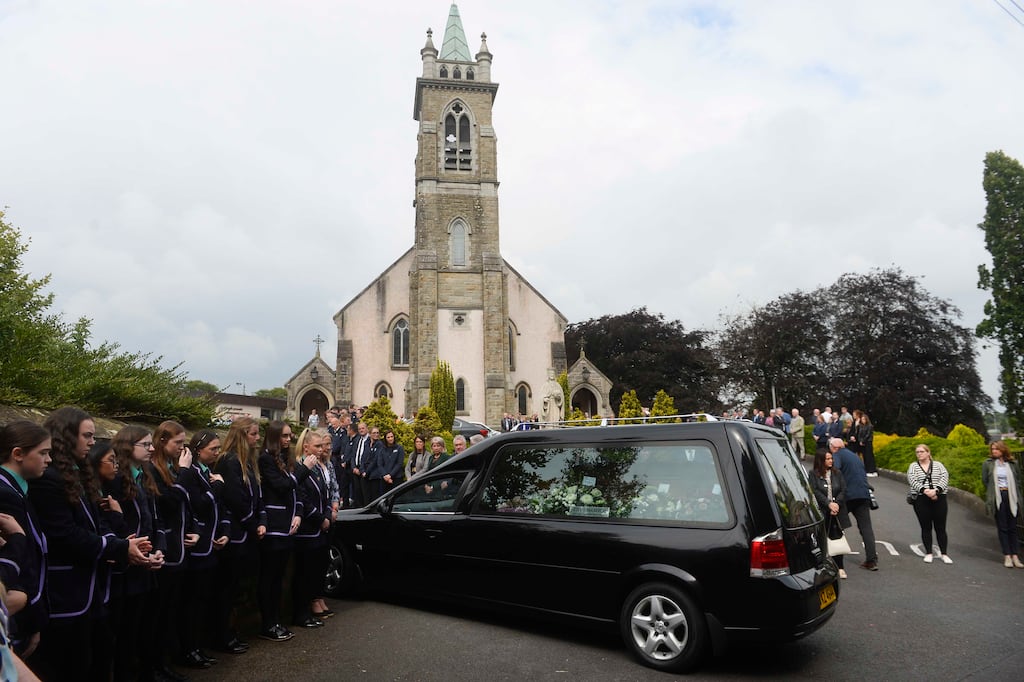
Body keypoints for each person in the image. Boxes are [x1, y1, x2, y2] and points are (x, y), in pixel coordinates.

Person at [28, 407, 150, 681]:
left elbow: (96, 523)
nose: (93, 442)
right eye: (87, 436)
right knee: (68, 665)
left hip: (91, 591)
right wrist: (118, 548)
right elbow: (65, 535)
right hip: (66, 594)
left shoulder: (77, 475)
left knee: (92, 659)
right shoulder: (48, 480)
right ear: (66, 436)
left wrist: (119, 542)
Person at [109, 425, 164, 682]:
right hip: (126, 568)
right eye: (146, 444)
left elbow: (154, 520)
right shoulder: (117, 479)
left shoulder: (145, 475)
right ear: (128, 447)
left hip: (145, 564)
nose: (152, 449)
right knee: (124, 633)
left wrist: (158, 550)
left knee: (144, 627)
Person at [148, 421, 200, 681]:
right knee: (158, 614)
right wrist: (184, 473)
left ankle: (165, 665)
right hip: (164, 551)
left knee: (170, 611)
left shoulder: (171, 467)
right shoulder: (154, 469)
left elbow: (185, 506)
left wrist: (193, 529)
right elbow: (169, 503)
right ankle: (154, 668)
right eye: (178, 443)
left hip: (180, 547)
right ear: (162, 441)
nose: (182, 448)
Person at [211, 418, 264, 654]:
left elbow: (255, 495)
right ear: (243, 435)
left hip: (247, 532)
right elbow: (234, 499)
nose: (257, 438)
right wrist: (253, 525)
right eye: (253, 434)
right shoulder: (229, 461)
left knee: (236, 589)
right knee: (226, 588)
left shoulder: (248, 462)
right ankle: (223, 635)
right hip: (234, 534)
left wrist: (260, 522)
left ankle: (231, 632)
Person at [177, 430, 228, 668]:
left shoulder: (209, 472)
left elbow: (220, 508)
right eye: (213, 449)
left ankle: (198, 646)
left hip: (211, 544)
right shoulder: (194, 473)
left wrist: (224, 532)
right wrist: (218, 487)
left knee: (204, 600)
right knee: (192, 603)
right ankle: (189, 649)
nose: (217, 453)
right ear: (198, 450)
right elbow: (200, 504)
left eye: (219, 448)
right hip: (196, 547)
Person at [0, 421, 50, 662]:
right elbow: (22, 563)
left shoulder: (19, 490)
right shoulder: (5, 494)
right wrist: (33, 622)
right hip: (16, 619)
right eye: (43, 452)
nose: (48, 460)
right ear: (17, 454)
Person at [290, 430, 330, 629]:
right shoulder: (300, 468)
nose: (321, 449)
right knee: (303, 574)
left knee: (314, 572)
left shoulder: (318, 468)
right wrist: (319, 518)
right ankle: (301, 613)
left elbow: (326, 493)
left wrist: (328, 514)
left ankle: (307, 611)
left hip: (319, 529)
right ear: (306, 448)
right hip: (307, 529)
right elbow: (302, 498)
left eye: (322, 446)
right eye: (317, 446)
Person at [829, 437, 879, 571]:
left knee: (836, 525)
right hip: (863, 494)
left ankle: (834, 559)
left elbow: (836, 472)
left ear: (834, 448)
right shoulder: (855, 456)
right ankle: (871, 560)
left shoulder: (837, 456)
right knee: (866, 528)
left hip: (847, 496)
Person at [907, 444, 952, 564]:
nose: (919, 454)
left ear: (928, 453)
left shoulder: (938, 465)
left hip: (939, 498)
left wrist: (936, 490)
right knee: (926, 526)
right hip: (921, 499)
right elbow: (912, 480)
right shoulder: (913, 466)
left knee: (940, 527)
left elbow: (944, 478)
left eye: (922, 451)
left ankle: (944, 553)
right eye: (917, 452)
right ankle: (928, 552)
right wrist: (925, 491)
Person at [982, 441, 1023, 568]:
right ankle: (1007, 556)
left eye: (996, 449)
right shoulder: (988, 464)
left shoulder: (1012, 464)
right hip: (997, 497)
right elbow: (985, 481)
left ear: (1003, 450)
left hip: (1011, 496)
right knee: (1003, 527)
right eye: (993, 449)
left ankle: (1015, 556)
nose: (994, 451)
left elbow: (1018, 481)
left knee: (1013, 527)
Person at [810, 449, 847, 579]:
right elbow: (814, 491)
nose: (831, 461)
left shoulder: (837, 473)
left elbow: (843, 490)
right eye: (828, 459)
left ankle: (840, 567)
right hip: (822, 511)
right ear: (821, 460)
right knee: (820, 539)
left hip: (836, 511)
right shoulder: (813, 474)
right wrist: (828, 503)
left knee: (836, 538)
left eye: (831, 458)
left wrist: (836, 504)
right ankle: (821, 565)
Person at [378, 430, 405, 496]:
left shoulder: (399, 448)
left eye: (391, 436)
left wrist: (390, 475)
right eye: (388, 437)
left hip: (396, 478)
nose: (390, 439)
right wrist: (385, 475)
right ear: (385, 438)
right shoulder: (382, 449)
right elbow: (380, 464)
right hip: (384, 479)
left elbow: (399, 463)